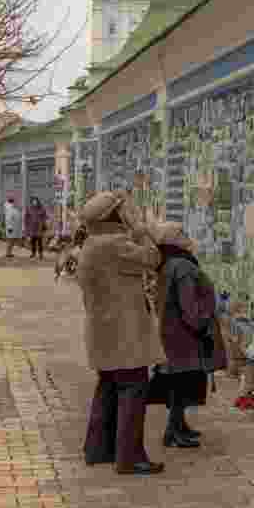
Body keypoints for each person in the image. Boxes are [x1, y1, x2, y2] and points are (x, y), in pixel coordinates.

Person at [78, 191, 167, 475]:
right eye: (122, 210)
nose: (126, 213)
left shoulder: (92, 243)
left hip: (103, 331)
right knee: (133, 390)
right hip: (125, 334)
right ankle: (130, 457)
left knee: (107, 387)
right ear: (113, 216)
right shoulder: (114, 244)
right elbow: (153, 258)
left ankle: (98, 449)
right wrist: (140, 230)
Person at [149, 221, 227, 448]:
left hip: (172, 333)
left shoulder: (167, 264)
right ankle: (173, 432)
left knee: (178, 382)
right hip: (185, 337)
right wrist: (202, 326)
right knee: (181, 384)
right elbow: (189, 305)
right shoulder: (182, 266)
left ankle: (179, 426)